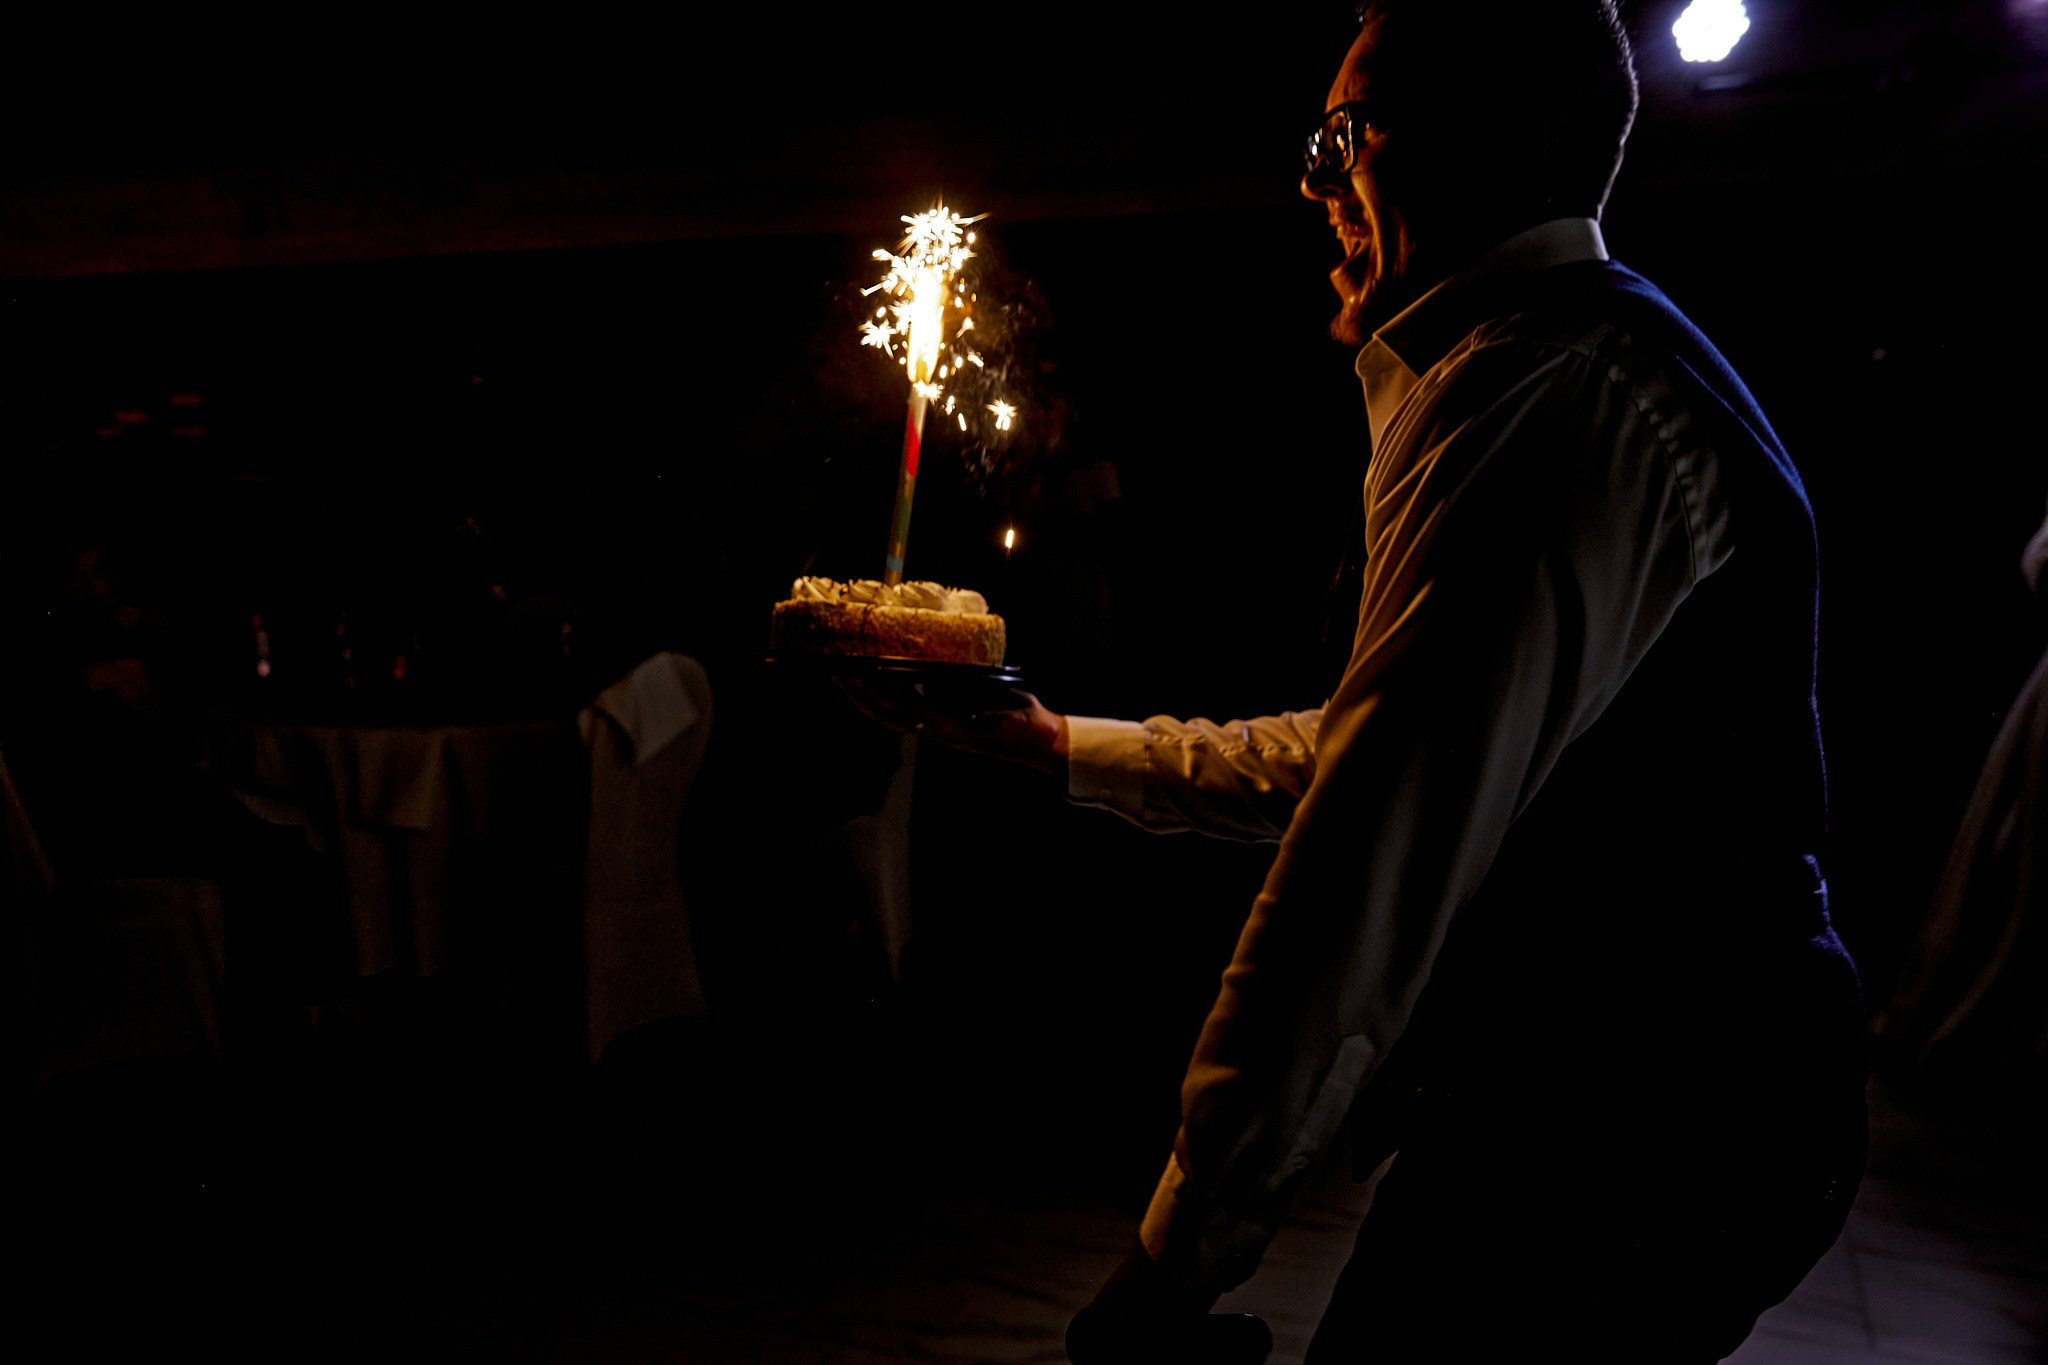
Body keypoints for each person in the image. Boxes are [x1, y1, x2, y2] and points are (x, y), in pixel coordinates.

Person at [855, 4, 1868, 1360]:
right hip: (1604, 1084)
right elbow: (1357, 754)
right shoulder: (1501, 372)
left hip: (1659, 1105)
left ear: (1496, 139)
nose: (1311, 178)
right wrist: (1053, 746)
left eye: (1349, 132)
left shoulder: (1552, 398)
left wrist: (1176, 1255)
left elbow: (1365, 854)